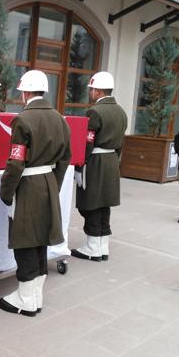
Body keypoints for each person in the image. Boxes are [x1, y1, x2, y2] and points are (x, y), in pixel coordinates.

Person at [0, 70, 71, 316]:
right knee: (40, 239)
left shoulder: (23, 120)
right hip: (48, 181)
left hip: (28, 184)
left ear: (25, 93)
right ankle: (35, 295)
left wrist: (6, 192)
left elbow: (16, 162)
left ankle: (26, 299)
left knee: (26, 240)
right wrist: (55, 184)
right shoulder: (60, 118)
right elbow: (65, 157)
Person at [71, 71, 127, 262]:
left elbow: (88, 142)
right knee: (104, 204)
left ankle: (93, 247)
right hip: (111, 161)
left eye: (92, 89)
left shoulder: (95, 111)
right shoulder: (121, 111)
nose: (91, 92)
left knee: (91, 203)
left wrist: (79, 165)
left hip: (95, 162)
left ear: (98, 90)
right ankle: (102, 246)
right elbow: (121, 143)